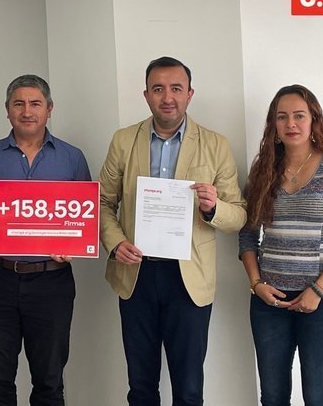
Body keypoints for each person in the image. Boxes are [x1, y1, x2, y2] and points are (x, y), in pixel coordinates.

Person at [99, 56, 246, 406]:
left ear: (190, 94)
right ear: (146, 95)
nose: (168, 97)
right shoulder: (124, 140)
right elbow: (101, 202)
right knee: (141, 386)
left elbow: (239, 215)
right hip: (136, 273)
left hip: (188, 278)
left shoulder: (215, 144)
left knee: (189, 388)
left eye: (176, 89)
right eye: (158, 89)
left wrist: (213, 208)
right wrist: (115, 242)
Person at [0, 74, 91, 405]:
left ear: (49, 109)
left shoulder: (72, 158)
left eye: (35, 103)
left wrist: (72, 246)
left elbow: (85, 220)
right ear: (7, 110)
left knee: (50, 382)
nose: (27, 111)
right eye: (18, 103)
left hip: (51, 283)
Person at [239, 85, 323, 405]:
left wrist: (317, 290)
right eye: (282, 117)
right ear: (274, 125)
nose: (290, 123)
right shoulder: (263, 171)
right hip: (269, 303)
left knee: (318, 398)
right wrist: (256, 283)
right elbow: (248, 234)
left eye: (299, 116)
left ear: (313, 120)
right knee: (273, 397)